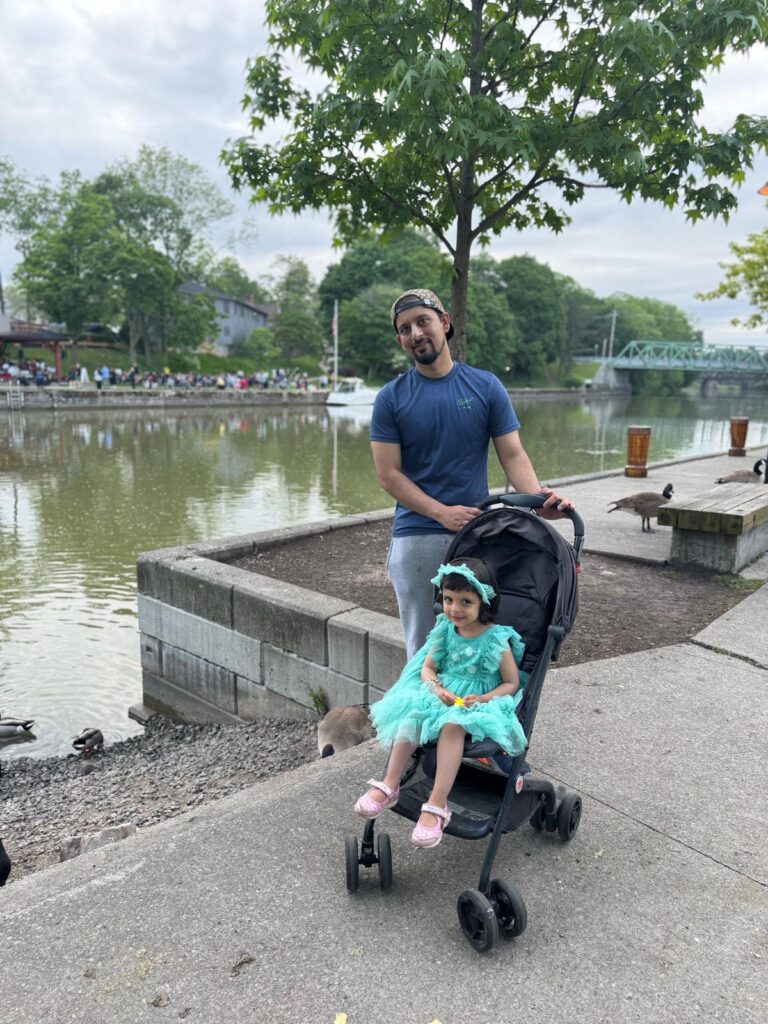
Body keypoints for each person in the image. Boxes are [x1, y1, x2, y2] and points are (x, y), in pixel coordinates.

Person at [370, 287, 574, 659]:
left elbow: (512, 454)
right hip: (417, 537)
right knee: (424, 651)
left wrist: (537, 502)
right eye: (405, 329)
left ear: (445, 323)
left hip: (478, 536)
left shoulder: (485, 386)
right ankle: (425, 700)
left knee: (477, 648)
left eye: (423, 321)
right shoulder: (391, 398)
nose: (416, 333)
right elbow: (389, 475)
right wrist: (440, 512)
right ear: (400, 340)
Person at [354, 558, 527, 848]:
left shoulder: (495, 639)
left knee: (453, 724)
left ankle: (437, 803)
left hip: (477, 703)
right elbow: (428, 667)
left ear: (483, 602)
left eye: (465, 602)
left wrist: (482, 698)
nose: (454, 609)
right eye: (448, 599)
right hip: (441, 691)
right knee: (413, 712)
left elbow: (511, 683)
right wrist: (435, 688)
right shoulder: (445, 629)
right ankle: (390, 783)